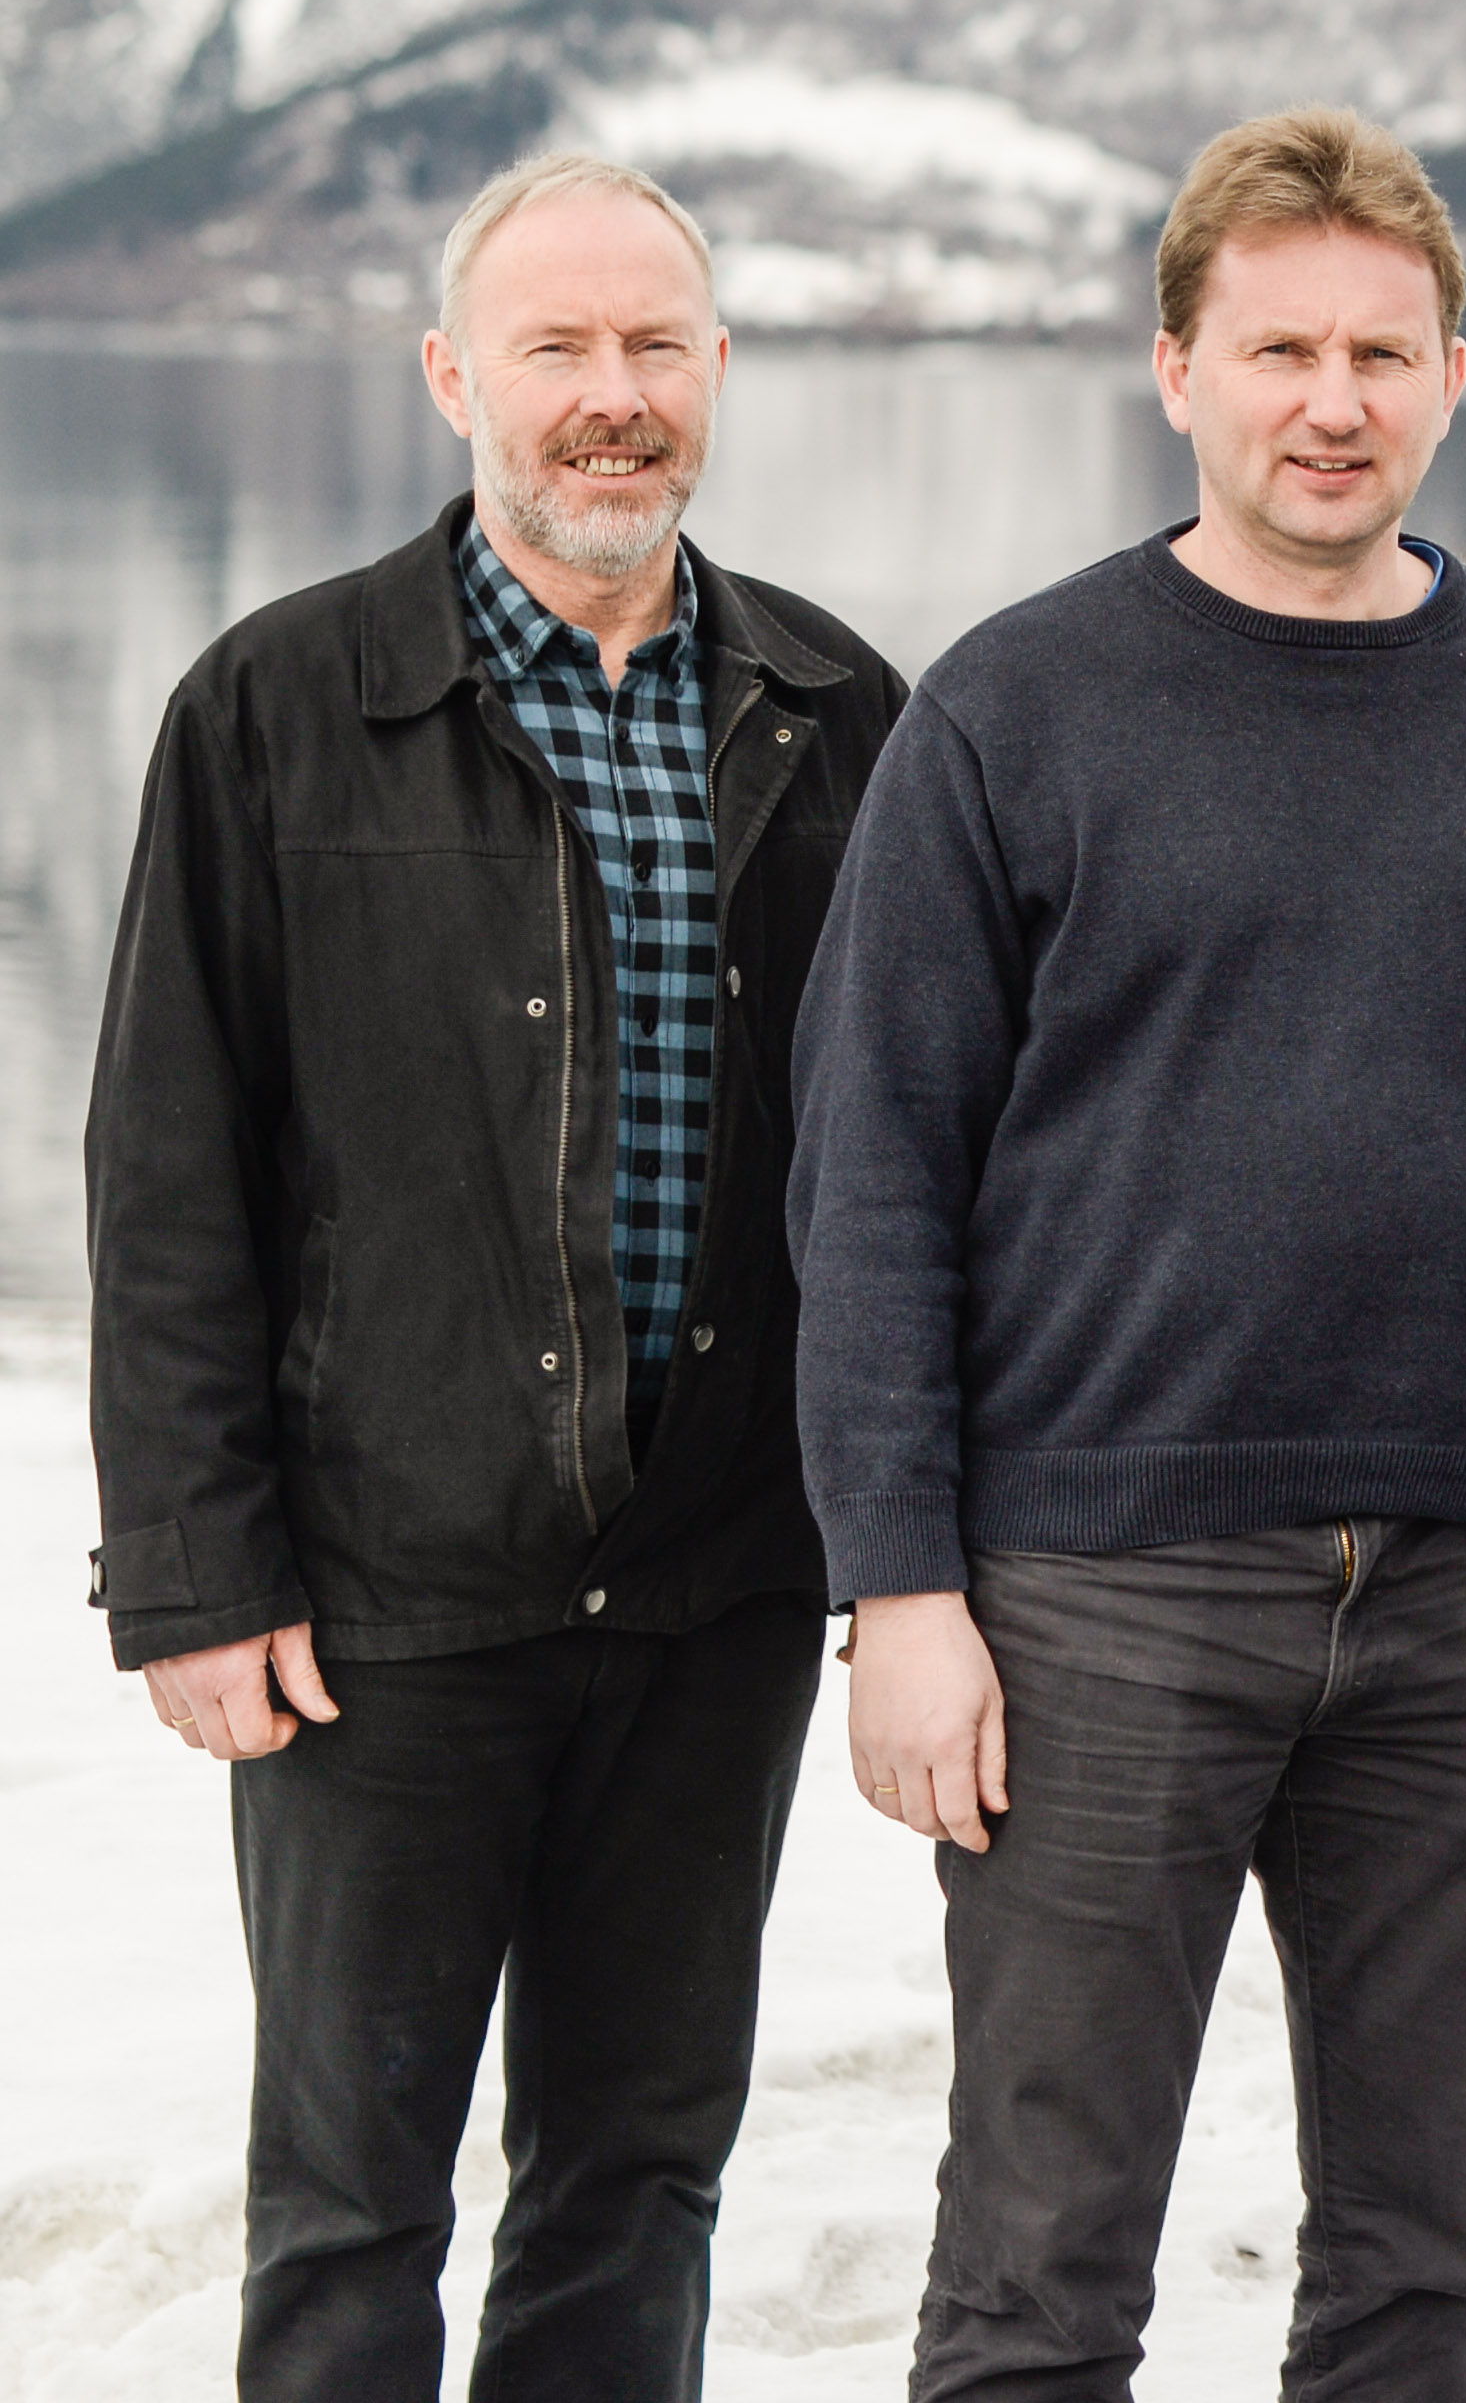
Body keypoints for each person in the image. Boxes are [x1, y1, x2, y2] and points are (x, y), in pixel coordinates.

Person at [790, 107, 1466, 2400]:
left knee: (1427, 2281)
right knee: (1036, 2280)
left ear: (1452, 378)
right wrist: (895, 1587)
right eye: (1283, 348)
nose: (1335, 400)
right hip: (1095, 1585)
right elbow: (876, 1179)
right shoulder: (1016, 710)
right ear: (1177, 368)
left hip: (1462, 1588)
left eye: (1383, 353)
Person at [84, 153, 904, 2399]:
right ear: (457, 377)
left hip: (717, 1586)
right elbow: (167, 1167)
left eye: (655, 348)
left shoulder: (846, 716)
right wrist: (189, 1567)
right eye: (557, 348)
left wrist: (906, 1537)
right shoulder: (276, 707)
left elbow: (914, 1172)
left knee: (635, 2181)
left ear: (718, 374)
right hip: (381, 1599)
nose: (609, 397)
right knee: (351, 2210)